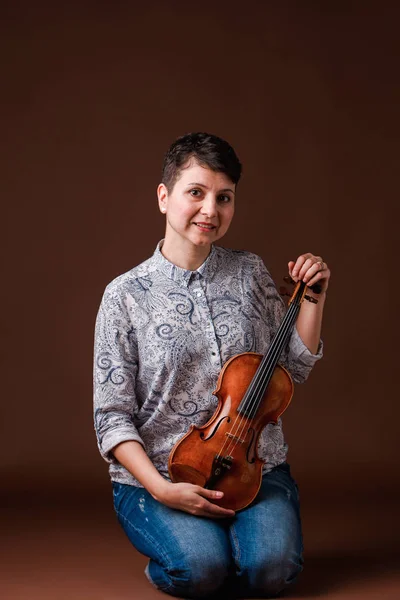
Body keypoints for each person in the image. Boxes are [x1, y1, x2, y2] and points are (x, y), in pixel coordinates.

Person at [93, 132, 330, 599]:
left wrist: (314, 301)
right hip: (163, 474)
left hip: (253, 469)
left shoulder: (249, 273)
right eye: (196, 193)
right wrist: (161, 491)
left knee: (272, 572)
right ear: (164, 197)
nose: (210, 210)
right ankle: (193, 545)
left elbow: (293, 370)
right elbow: (111, 417)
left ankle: (237, 542)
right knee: (200, 572)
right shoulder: (124, 296)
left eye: (224, 198)